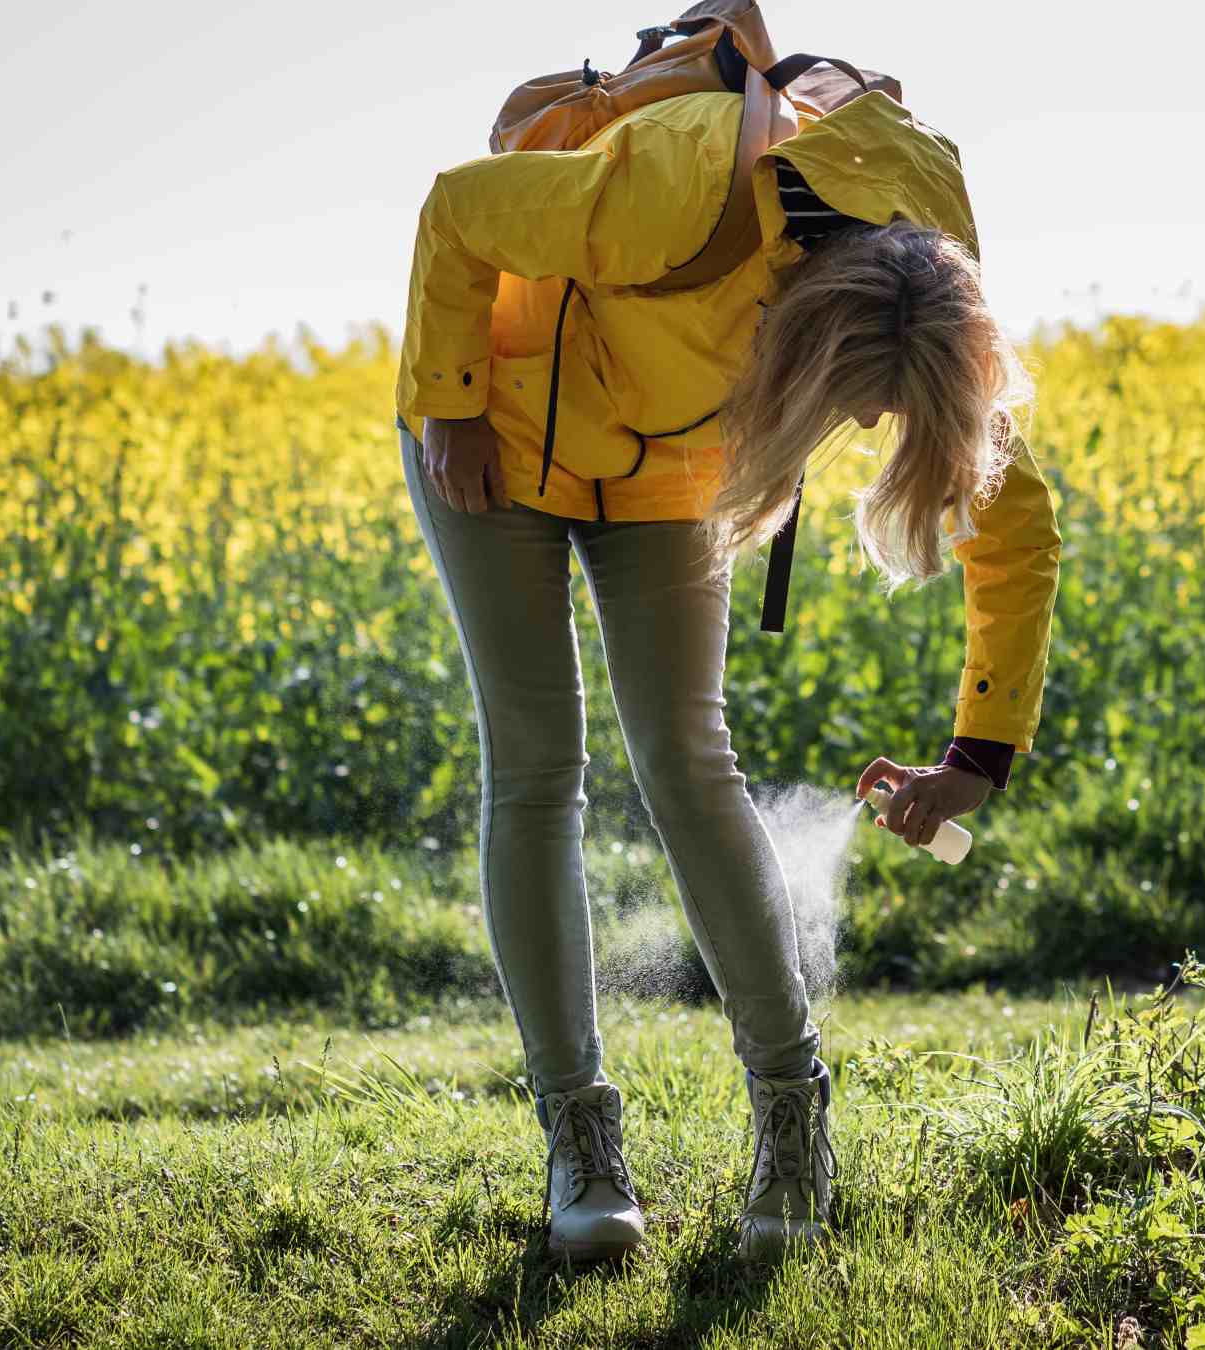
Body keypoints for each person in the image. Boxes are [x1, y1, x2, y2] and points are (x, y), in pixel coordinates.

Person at [391, 79, 1062, 1262]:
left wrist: (977, 757)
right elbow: (459, 210)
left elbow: (1010, 520)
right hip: (492, 428)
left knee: (689, 761)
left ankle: (792, 1120)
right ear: (796, 347)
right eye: (849, 409)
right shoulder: (671, 193)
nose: (857, 433)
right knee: (538, 766)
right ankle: (580, 1141)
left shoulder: (929, 260)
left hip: (664, 467)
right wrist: (447, 401)